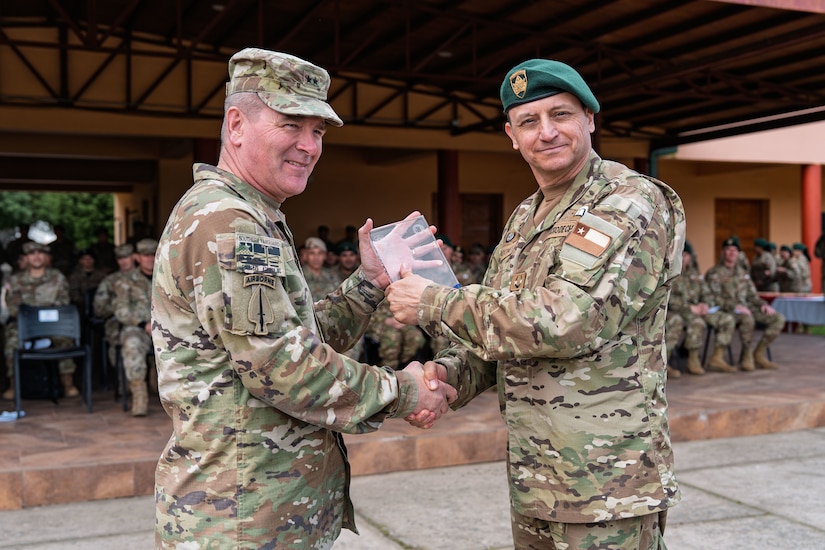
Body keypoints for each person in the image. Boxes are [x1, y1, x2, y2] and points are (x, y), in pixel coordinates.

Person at [150, 47, 455, 549]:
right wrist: (405, 391)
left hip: (264, 511)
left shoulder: (252, 215)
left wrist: (370, 282)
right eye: (291, 125)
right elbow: (286, 369)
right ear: (236, 124)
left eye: (318, 131)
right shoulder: (230, 225)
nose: (309, 146)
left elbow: (297, 337)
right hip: (243, 519)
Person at [386, 59, 685, 549]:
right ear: (512, 135)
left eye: (560, 115)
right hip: (538, 477)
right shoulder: (528, 215)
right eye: (529, 121)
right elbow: (502, 335)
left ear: (590, 119)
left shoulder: (627, 200)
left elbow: (568, 320)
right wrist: (444, 381)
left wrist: (435, 302)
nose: (546, 132)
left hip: (605, 484)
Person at [2, 242, 79, 400]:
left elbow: (63, 302)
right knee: (12, 341)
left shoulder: (57, 277)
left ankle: (68, 383)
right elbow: (13, 306)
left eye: (40, 253)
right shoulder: (16, 280)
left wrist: (39, 312)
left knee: (64, 339)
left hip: (53, 323)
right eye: (32, 254)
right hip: (24, 324)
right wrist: (35, 314)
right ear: (26, 258)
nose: (36, 257)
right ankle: (13, 385)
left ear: (46, 257)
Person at [705, 236, 784, 370]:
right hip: (726, 310)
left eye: (735, 250)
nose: (732, 253)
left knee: (778, 319)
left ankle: (758, 353)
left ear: (738, 254)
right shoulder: (714, 273)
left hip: (746, 308)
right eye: (728, 249)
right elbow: (713, 298)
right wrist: (735, 306)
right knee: (747, 319)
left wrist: (763, 304)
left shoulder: (743, 274)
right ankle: (744, 355)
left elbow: (752, 295)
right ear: (723, 252)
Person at [665, 241, 736, 376]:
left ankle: (717, 358)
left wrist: (705, 305)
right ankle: (668, 362)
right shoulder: (670, 274)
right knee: (692, 322)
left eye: (686, 255)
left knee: (727, 319)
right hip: (677, 311)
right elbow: (667, 298)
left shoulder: (695, 274)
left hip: (698, 310)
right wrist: (689, 307)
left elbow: (707, 293)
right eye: (681, 254)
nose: (683, 257)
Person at [112, 238, 156, 416]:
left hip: (168, 328)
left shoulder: (169, 277)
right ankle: (139, 394)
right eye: (146, 255)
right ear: (137, 257)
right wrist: (142, 324)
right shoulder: (126, 281)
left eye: (153, 255)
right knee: (132, 343)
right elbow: (120, 310)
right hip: (139, 328)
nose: (150, 259)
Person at [93, 244, 136, 371]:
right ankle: (122, 377)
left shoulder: (145, 276)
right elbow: (99, 308)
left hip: (147, 321)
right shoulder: (110, 281)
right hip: (118, 322)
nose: (123, 261)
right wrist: (120, 309)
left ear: (134, 257)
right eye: (120, 258)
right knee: (118, 338)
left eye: (126, 257)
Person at [68, 248, 107, 317]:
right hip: (80, 308)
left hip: (99, 306)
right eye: (85, 259)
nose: (88, 261)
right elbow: (73, 293)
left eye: (90, 258)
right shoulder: (75, 276)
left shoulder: (102, 275)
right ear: (80, 261)